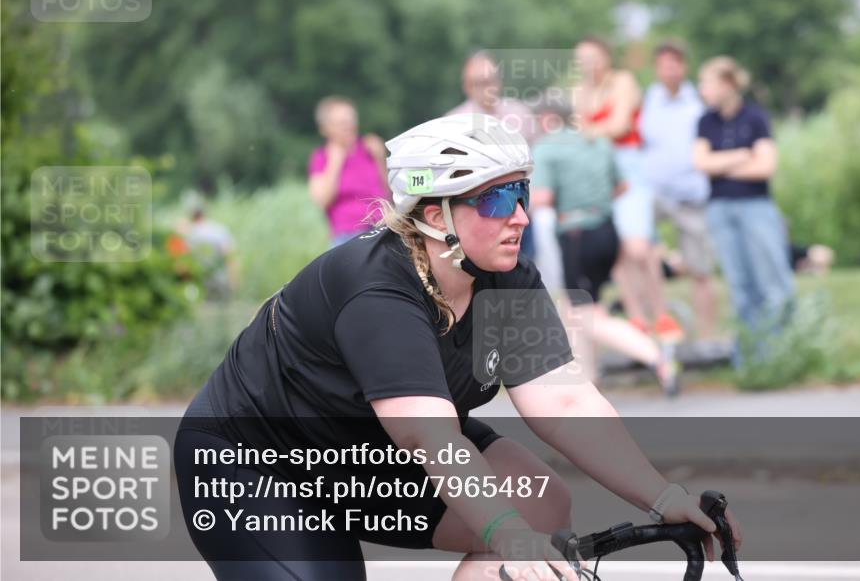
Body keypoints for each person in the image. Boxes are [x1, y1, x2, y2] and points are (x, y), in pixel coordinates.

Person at [174, 114, 741, 581]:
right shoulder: (376, 286)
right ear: (432, 215)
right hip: (257, 459)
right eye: (495, 200)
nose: (519, 215)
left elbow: (564, 404)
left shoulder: (506, 276)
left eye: (520, 191)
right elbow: (429, 435)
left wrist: (664, 497)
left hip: (368, 451)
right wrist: (507, 535)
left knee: (540, 503)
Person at [531, 93, 681, 394]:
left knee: (584, 316)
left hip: (576, 236)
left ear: (547, 118)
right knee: (579, 310)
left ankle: (658, 358)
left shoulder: (547, 148)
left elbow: (543, 198)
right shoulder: (597, 141)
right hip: (608, 231)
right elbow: (622, 186)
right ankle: (588, 383)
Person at [572, 36, 684, 343]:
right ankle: (636, 316)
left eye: (592, 57)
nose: (587, 65)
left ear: (606, 56)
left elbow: (620, 125)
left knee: (639, 246)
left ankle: (660, 313)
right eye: (581, 59)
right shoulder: (579, 92)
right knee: (616, 251)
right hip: (598, 174)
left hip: (630, 169)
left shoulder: (623, 82)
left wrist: (586, 131)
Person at [693, 57, 795, 358]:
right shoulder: (705, 121)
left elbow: (765, 167)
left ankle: (780, 353)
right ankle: (751, 358)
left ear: (726, 84)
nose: (702, 90)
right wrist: (740, 156)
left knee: (773, 283)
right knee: (740, 287)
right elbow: (700, 163)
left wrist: (719, 165)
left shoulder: (755, 118)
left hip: (756, 207)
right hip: (720, 209)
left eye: (706, 83)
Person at [639, 41, 719, 342]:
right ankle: (660, 322)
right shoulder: (648, 100)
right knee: (641, 252)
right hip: (656, 192)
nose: (669, 69)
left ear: (683, 67)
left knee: (700, 268)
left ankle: (707, 336)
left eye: (674, 63)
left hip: (691, 193)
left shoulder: (698, 101)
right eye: (663, 64)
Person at [449, 52, 546, 266]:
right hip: (484, 212)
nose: (486, 88)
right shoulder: (454, 123)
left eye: (490, 81)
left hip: (523, 205)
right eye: (479, 83)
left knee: (527, 265)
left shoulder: (520, 113)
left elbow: (540, 155)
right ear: (467, 86)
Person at [308, 96, 390, 248]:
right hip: (347, 235)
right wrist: (334, 163)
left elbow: (390, 194)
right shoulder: (321, 157)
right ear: (325, 128)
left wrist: (380, 159)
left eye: (351, 120)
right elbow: (322, 201)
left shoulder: (369, 149)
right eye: (341, 123)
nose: (348, 126)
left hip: (382, 228)